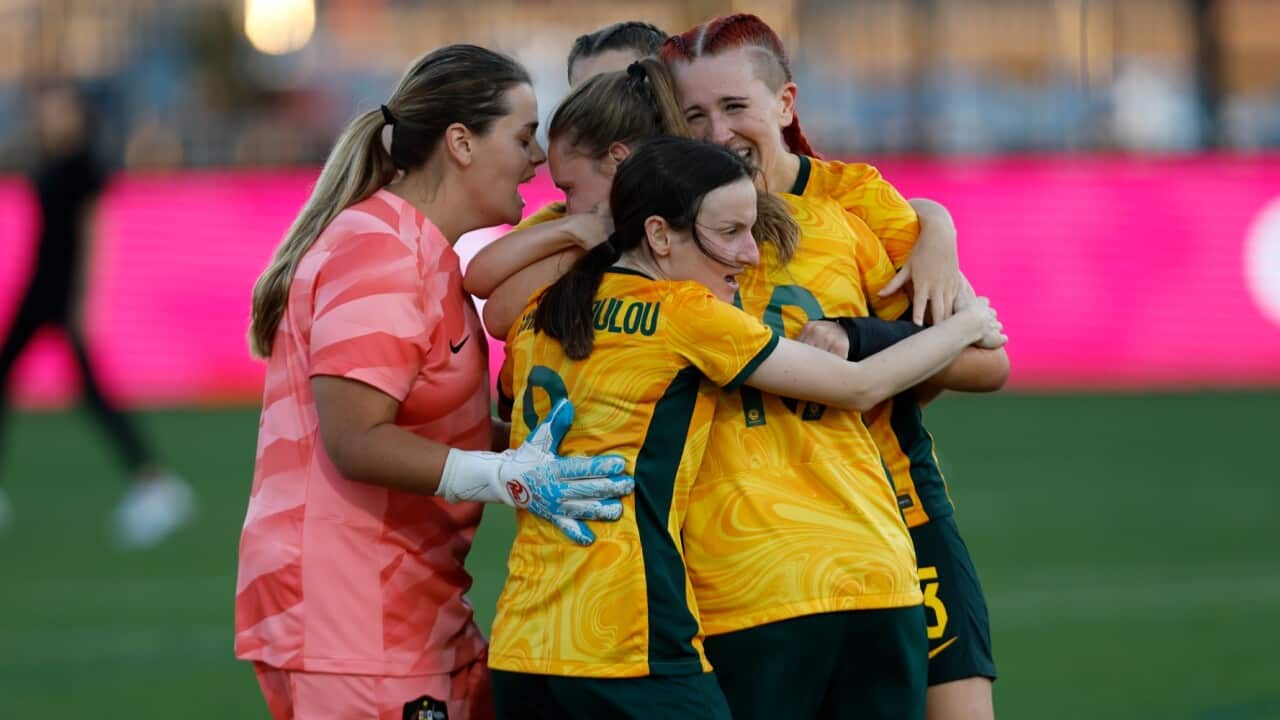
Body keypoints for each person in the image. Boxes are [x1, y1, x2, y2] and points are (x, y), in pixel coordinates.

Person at [488, 136, 1004, 720]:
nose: (752, 255)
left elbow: (505, 397)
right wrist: (966, 325)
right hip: (629, 638)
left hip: (523, 640)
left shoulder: (542, 314)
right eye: (730, 233)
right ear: (659, 235)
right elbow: (860, 386)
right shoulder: (685, 313)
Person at [236, 45, 633, 720]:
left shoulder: (422, 253)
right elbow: (357, 440)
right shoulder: (378, 252)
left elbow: (436, 426)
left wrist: (555, 449)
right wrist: (510, 476)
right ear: (461, 144)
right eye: (523, 137)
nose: (538, 159)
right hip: (351, 622)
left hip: (412, 610)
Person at [663, 14, 1004, 719]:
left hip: (895, 517)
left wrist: (860, 335)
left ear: (785, 104)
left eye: (735, 106)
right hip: (752, 559)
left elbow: (984, 362)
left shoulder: (854, 202)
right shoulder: (669, 225)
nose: (717, 132)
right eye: (695, 115)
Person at [0, 83, 193, 548]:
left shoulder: (85, 166)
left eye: (58, 110)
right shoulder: (48, 161)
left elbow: (95, 233)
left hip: (63, 293)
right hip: (38, 288)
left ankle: (155, 484)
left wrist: (86, 300)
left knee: (94, 393)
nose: (49, 118)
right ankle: (154, 484)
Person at [463, 20, 667, 306]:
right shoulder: (572, 214)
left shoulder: (701, 205)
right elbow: (495, 308)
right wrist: (582, 239)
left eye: (625, 86)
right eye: (586, 93)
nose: (605, 102)